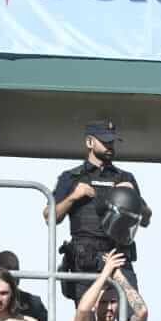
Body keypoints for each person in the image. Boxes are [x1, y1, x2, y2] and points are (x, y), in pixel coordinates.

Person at [52, 120, 150, 300]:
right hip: (84, 261)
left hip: (118, 258)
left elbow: (146, 220)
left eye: (112, 142)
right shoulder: (71, 177)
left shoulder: (125, 177)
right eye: (105, 141)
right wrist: (73, 196)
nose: (109, 146)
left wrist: (134, 198)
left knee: (133, 315)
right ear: (89, 142)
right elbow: (50, 217)